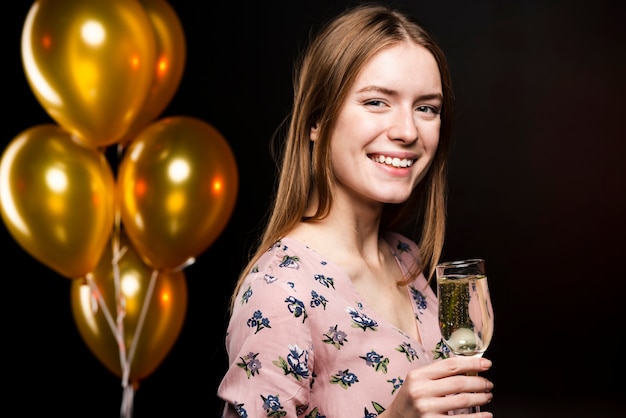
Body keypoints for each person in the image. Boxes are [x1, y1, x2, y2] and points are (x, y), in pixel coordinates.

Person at [217, 2, 494, 417]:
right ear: (316, 120)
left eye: (426, 108)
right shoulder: (280, 288)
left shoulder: (407, 260)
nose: (406, 131)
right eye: (377, 102)